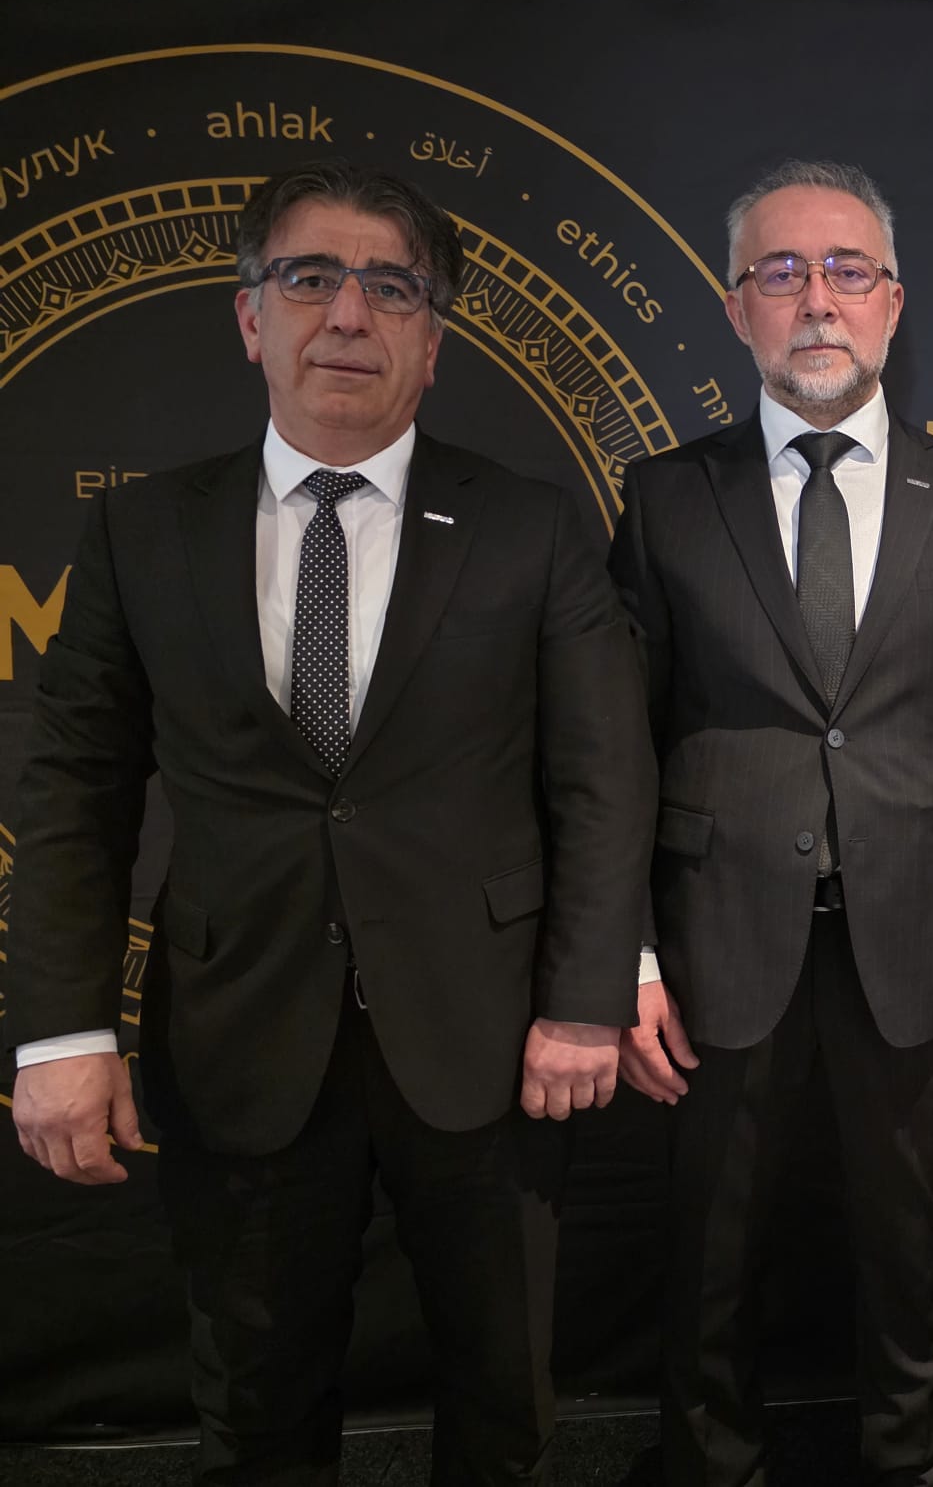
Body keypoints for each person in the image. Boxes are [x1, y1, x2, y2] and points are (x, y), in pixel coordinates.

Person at [5, 159, 655, 1483]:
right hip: (238, 1036)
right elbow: (74, 785)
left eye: (392, 288)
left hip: (489, 1044)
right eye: (311, 278)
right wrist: (63, 1031)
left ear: (434, 339)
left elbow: (603, 777)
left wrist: (588, 1001)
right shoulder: (142, 531)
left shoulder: (530, 529)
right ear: (252, 317)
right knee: (256, 1403)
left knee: (502, 1393)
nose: (349, 314)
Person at [607, 159, 933, 1487]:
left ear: (893, 302)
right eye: (781, 272)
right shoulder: (664, 498)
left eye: (847, 270)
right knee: (709, 1266)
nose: (816, 300)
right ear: (735, 307)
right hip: (715, 949)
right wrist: (629, 957)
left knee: (912, 1263)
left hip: (921, 946)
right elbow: (614, 751)